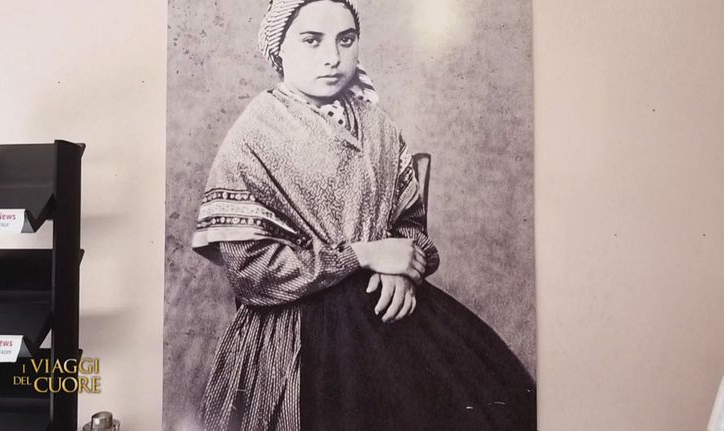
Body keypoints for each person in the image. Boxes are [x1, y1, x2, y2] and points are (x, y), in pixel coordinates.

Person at [192, 0, 536, 429]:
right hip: (298, 332)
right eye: (312, 40)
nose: (332, 57)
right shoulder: (255, 133)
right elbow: (251, 271)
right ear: (279, 47)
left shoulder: (377, 124)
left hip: (390, 309)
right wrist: (364, 254)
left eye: (346, 40)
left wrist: (404, 270)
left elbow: (409, 222)